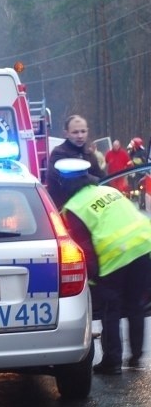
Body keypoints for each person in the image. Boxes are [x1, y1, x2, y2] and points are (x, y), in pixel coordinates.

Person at [55, 158, 151, 374]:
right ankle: (136, 356)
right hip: (143, 246)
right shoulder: (107, 191)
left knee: (111, 309)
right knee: (136, 305)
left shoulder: (74, 208)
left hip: (114, 257)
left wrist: (94, 277)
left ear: (63, 183)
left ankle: (112, 362)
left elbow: (85, 247)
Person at [46, 115, 105, 209]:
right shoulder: (59, 154)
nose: (80, 136)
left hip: (90, 208)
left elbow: (103, 178)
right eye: (75, 132)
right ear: (66, 134)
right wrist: (95, 181)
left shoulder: (89, 154)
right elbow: (72, 181)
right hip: (65, 210)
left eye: (83, 131)